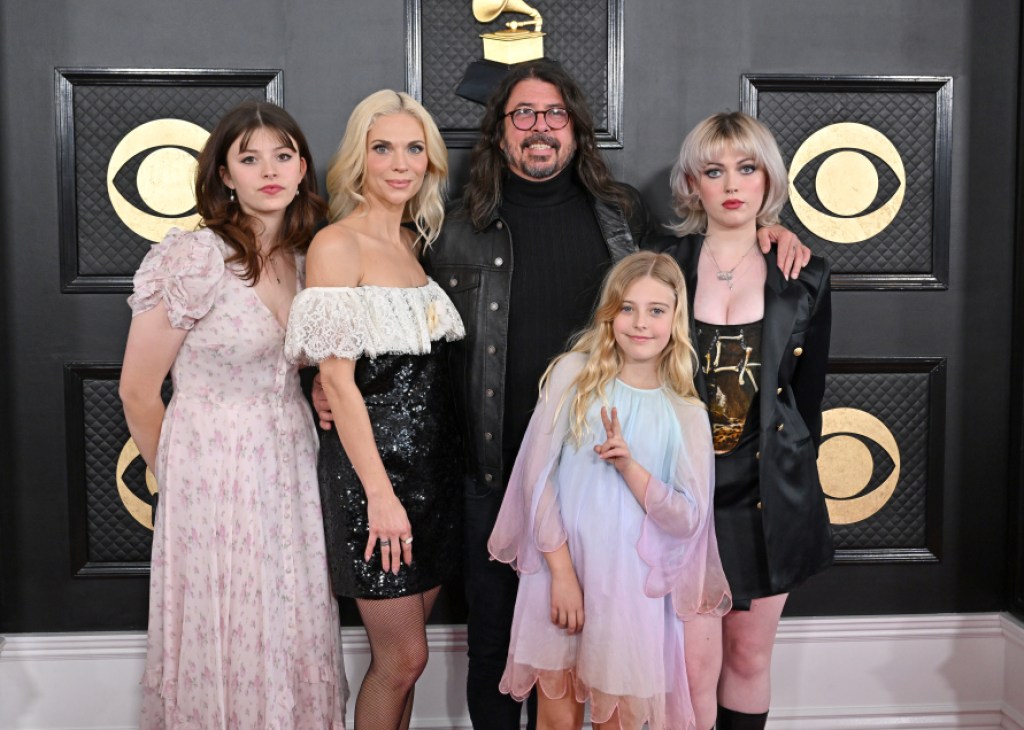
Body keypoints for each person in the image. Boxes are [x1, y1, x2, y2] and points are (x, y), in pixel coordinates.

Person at [420, 60, 810, 729]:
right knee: (496, 650)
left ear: (575, 129)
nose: (540, 128)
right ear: (500, 130)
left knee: (602, 656)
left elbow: (682, 271)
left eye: (555, 115)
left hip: (604, 488)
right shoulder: (455, 229)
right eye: (524, 114)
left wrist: (766, 232)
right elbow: (408, 332)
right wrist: (330, 388)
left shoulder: (622, 213)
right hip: (495, 471)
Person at [119, 100, 346, 728]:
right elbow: (138, 391)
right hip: (210, 472)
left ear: (303, 168)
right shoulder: (194, 258)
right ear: (224, 174)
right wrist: (184, 482)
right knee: (229, 619)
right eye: (249, 158)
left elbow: (293, 366)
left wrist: (319, 390)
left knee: (289, 613)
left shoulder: (309, 261)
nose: (268, 170)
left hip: (291, 464)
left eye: (282, 155)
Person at [487, 251, 732, 730]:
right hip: (559, 576)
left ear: (676, 319)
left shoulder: (684, 412)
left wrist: (628, 466)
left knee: (614, 722)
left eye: (657, 310)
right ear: (609, 313)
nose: (641, 323)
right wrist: (561, 573)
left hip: (627, 594)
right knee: (555, 718)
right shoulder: (572, 376)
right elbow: (536, 482)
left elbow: (688, 519)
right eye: (628, 308)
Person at [285, 90, 464, 730]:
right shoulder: (339, 244)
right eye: (382, 147)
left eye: (414, 148)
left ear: (430, 162)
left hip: (434, 481)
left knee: (406, 666)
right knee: (402, 658)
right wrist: (381, 496)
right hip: (372, 483)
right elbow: (338, 379)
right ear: (359, 158)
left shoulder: (418, 244)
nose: (400, 163)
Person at [662, 111, 834, 730]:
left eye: (746, 167)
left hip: (768, 494)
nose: (732, 183)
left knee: (751, 655)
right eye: (714, 170)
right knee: (686, 667)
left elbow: (807, 395)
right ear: (692, 185)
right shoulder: (662, 263)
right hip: (684, 493)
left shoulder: (806, 273)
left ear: (768, 180)